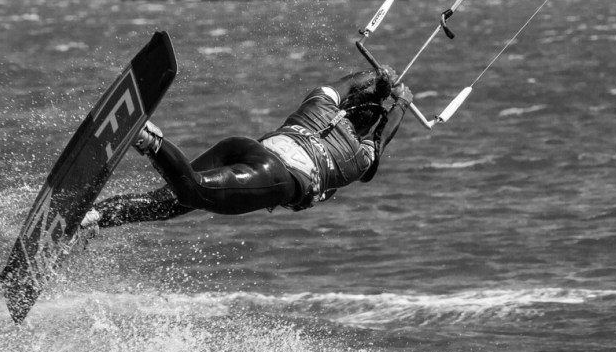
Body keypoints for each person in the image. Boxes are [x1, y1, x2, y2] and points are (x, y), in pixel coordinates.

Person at [78, 67, 411, 236]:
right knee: (193, 191)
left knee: (168, 202)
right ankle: (149, 139)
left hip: (244, 148)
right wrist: (402, 105)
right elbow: (380, 143)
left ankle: (92, 218)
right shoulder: (358, 159)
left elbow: (348, 83)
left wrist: (379, 78)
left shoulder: (320, 103)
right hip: (274, 176)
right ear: (368, 127)